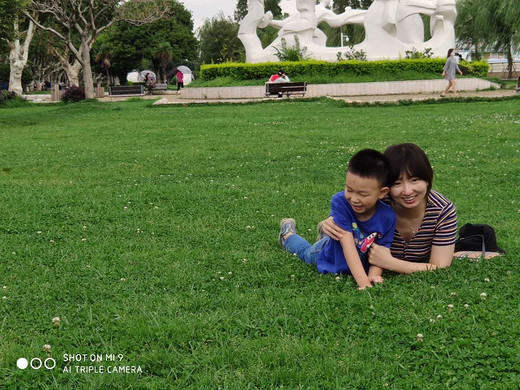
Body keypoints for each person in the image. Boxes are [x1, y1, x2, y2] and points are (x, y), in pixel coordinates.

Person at [322, 143, 458, 274]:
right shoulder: (378, 201)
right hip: (336, 251)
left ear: (427, 179)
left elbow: (440, 267)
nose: (407, 191)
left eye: (414, 180)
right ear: (385, 188)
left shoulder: (442, 211)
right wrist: (327, 222)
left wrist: (389, 263)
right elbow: (348, 201)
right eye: (397, 183)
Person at [279, 149, 397, 289]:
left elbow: (380, 250)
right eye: (349, 190)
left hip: (348, 249)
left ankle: (325, 232)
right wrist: (364, 284)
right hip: (328, 255)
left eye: (363, 194)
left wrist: (373, 276)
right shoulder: (341, 201)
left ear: (382, 193)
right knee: (305, 253)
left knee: (334, 234)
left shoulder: (388, 216)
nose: (354, 199)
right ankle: (287, 234)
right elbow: (348, 245)